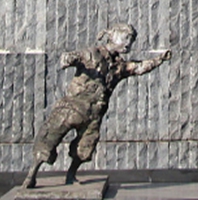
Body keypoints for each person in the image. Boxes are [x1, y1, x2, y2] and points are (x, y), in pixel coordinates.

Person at [23, 23, 172, 187]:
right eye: (125, 38)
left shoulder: (119, 66)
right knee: (48, 139)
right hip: (71, 108)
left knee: (85, 147)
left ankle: (71, 175)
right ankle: (31, 175)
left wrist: (159, 59)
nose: (128, 43)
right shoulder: (91, 54)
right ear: (113, 36)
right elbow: (74, 56)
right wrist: (68, 58)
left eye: (131, 40)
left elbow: (138, 67)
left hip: (93, 115)